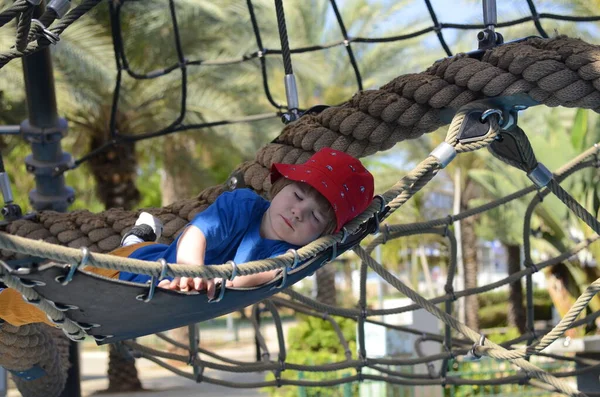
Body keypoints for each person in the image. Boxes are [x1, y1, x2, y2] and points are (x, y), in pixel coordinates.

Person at [0, 147, 374, 326]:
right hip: (140, 270)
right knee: (45, 302)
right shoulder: (244, 204)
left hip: (157, 292)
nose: (298, 212)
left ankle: (141, 235)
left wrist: (225, 280)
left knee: (119, 266)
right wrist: (192, 270)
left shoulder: (290, 256)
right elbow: (198, 232)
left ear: (323, 233)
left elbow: (264, 275)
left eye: (314, 216)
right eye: (297, 196)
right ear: (279, 189)